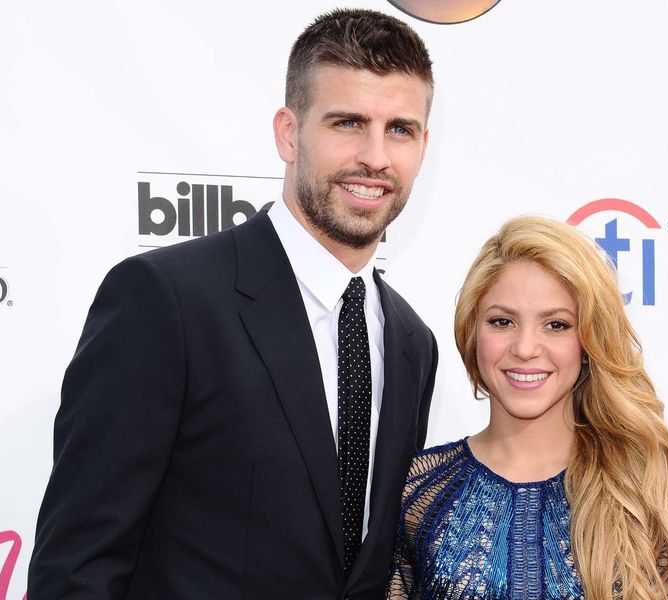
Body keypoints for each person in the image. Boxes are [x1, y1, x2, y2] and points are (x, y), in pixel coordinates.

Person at [29, 9, 438, 599]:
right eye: (348, 122)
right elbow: (77, 567)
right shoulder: (166, 300)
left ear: (423, 145)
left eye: (399, 129)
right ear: (288, 133)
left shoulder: (410, 342)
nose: (375, 156)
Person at [387, 216, 668, 599]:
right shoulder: (421, 491)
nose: (525, 348)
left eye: (556, 325)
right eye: (502, 321)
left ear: (590, 340)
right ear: (472, 332)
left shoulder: (657, 494)